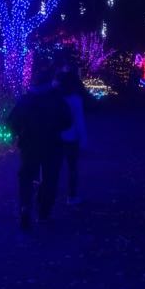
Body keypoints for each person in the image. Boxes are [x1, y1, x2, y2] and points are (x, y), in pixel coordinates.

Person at [8, 67, 73, 231]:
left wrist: (20, 131)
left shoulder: (26, 99)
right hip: (53, 144)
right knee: (50, 178)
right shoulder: (57, 99)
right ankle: (44, 212)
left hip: (29, 144)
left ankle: (25, 206)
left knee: (26, 176)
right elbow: (68, 120)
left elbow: (11, 121)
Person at [56, 70, 87, 205]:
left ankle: (47, 194)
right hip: (72, 137)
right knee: (72, 168)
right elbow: (79, 121)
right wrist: (83, 140)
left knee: (53, 167)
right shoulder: (76, 99)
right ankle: (71, 196)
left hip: (56, 137)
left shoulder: (56, 97)